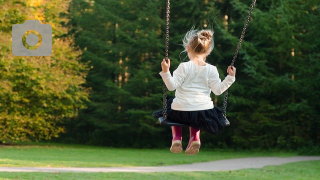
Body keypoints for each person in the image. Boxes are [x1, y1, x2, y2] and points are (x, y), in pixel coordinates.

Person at [159, 29, 236, 155]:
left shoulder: (183, 67)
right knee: (197, 113)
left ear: (188, 48)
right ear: (208, 50)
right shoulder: (212, 69)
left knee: (171, 105)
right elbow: (218, 90)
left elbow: (171, 87)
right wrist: (230, 78)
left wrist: (166, 71)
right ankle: (195, 138)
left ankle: (176, 138)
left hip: (180, 112)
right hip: (203, 112)